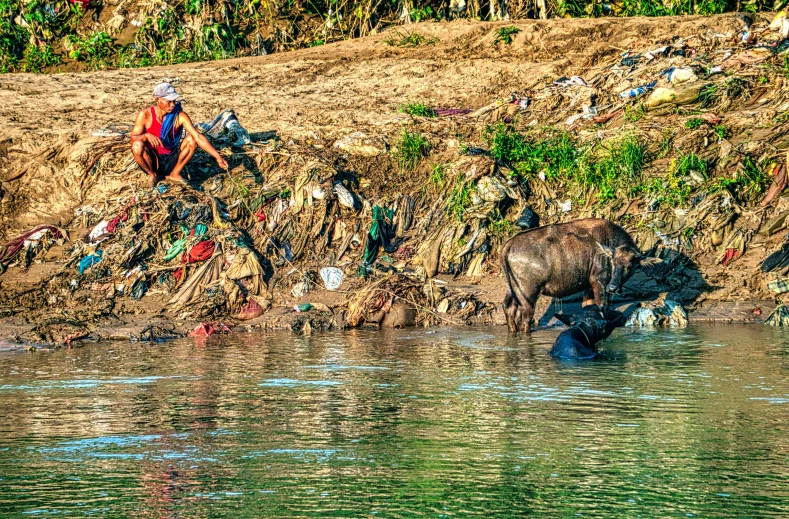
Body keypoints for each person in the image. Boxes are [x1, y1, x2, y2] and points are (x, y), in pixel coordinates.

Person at [130, 82, 228, 187]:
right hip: (153, 160)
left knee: (192, 140)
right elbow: (133, 139)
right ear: (158, 100)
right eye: (169, 101)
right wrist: (146, 136)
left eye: (174, 101)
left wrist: (217, 157)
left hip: (172, 158)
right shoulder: (145, 115)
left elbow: (198, 136)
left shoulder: (179, 116)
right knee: (137, 145)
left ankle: (175, 173)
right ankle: (152, 175)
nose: (172, 104)